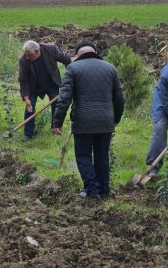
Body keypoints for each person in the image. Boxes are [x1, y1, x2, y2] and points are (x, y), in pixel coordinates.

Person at [53, 41, 125, 199]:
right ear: (94, 52)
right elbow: (119, 99)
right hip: (106, 121)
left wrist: (57, 121)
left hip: (83, 121)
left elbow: (64, 98)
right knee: (102, 156)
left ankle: (92, 191)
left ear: (78, 55)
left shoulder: (73, 68)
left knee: (84, 156)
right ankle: (104, 190)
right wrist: (116, 118)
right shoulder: (110, 68)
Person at [18, 40, 71, 141]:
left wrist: (70, 77)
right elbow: (23, 80)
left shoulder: (51, 49)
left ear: (37, 51)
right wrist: (26, 98)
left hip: (51, 82)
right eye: (26, 54)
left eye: (30, 55)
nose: (27, 57)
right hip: (33, 86)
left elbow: (67, 60)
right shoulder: (24, 60)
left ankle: (55, 129)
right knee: (30, 107)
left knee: (57, 106)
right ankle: (28, 134)